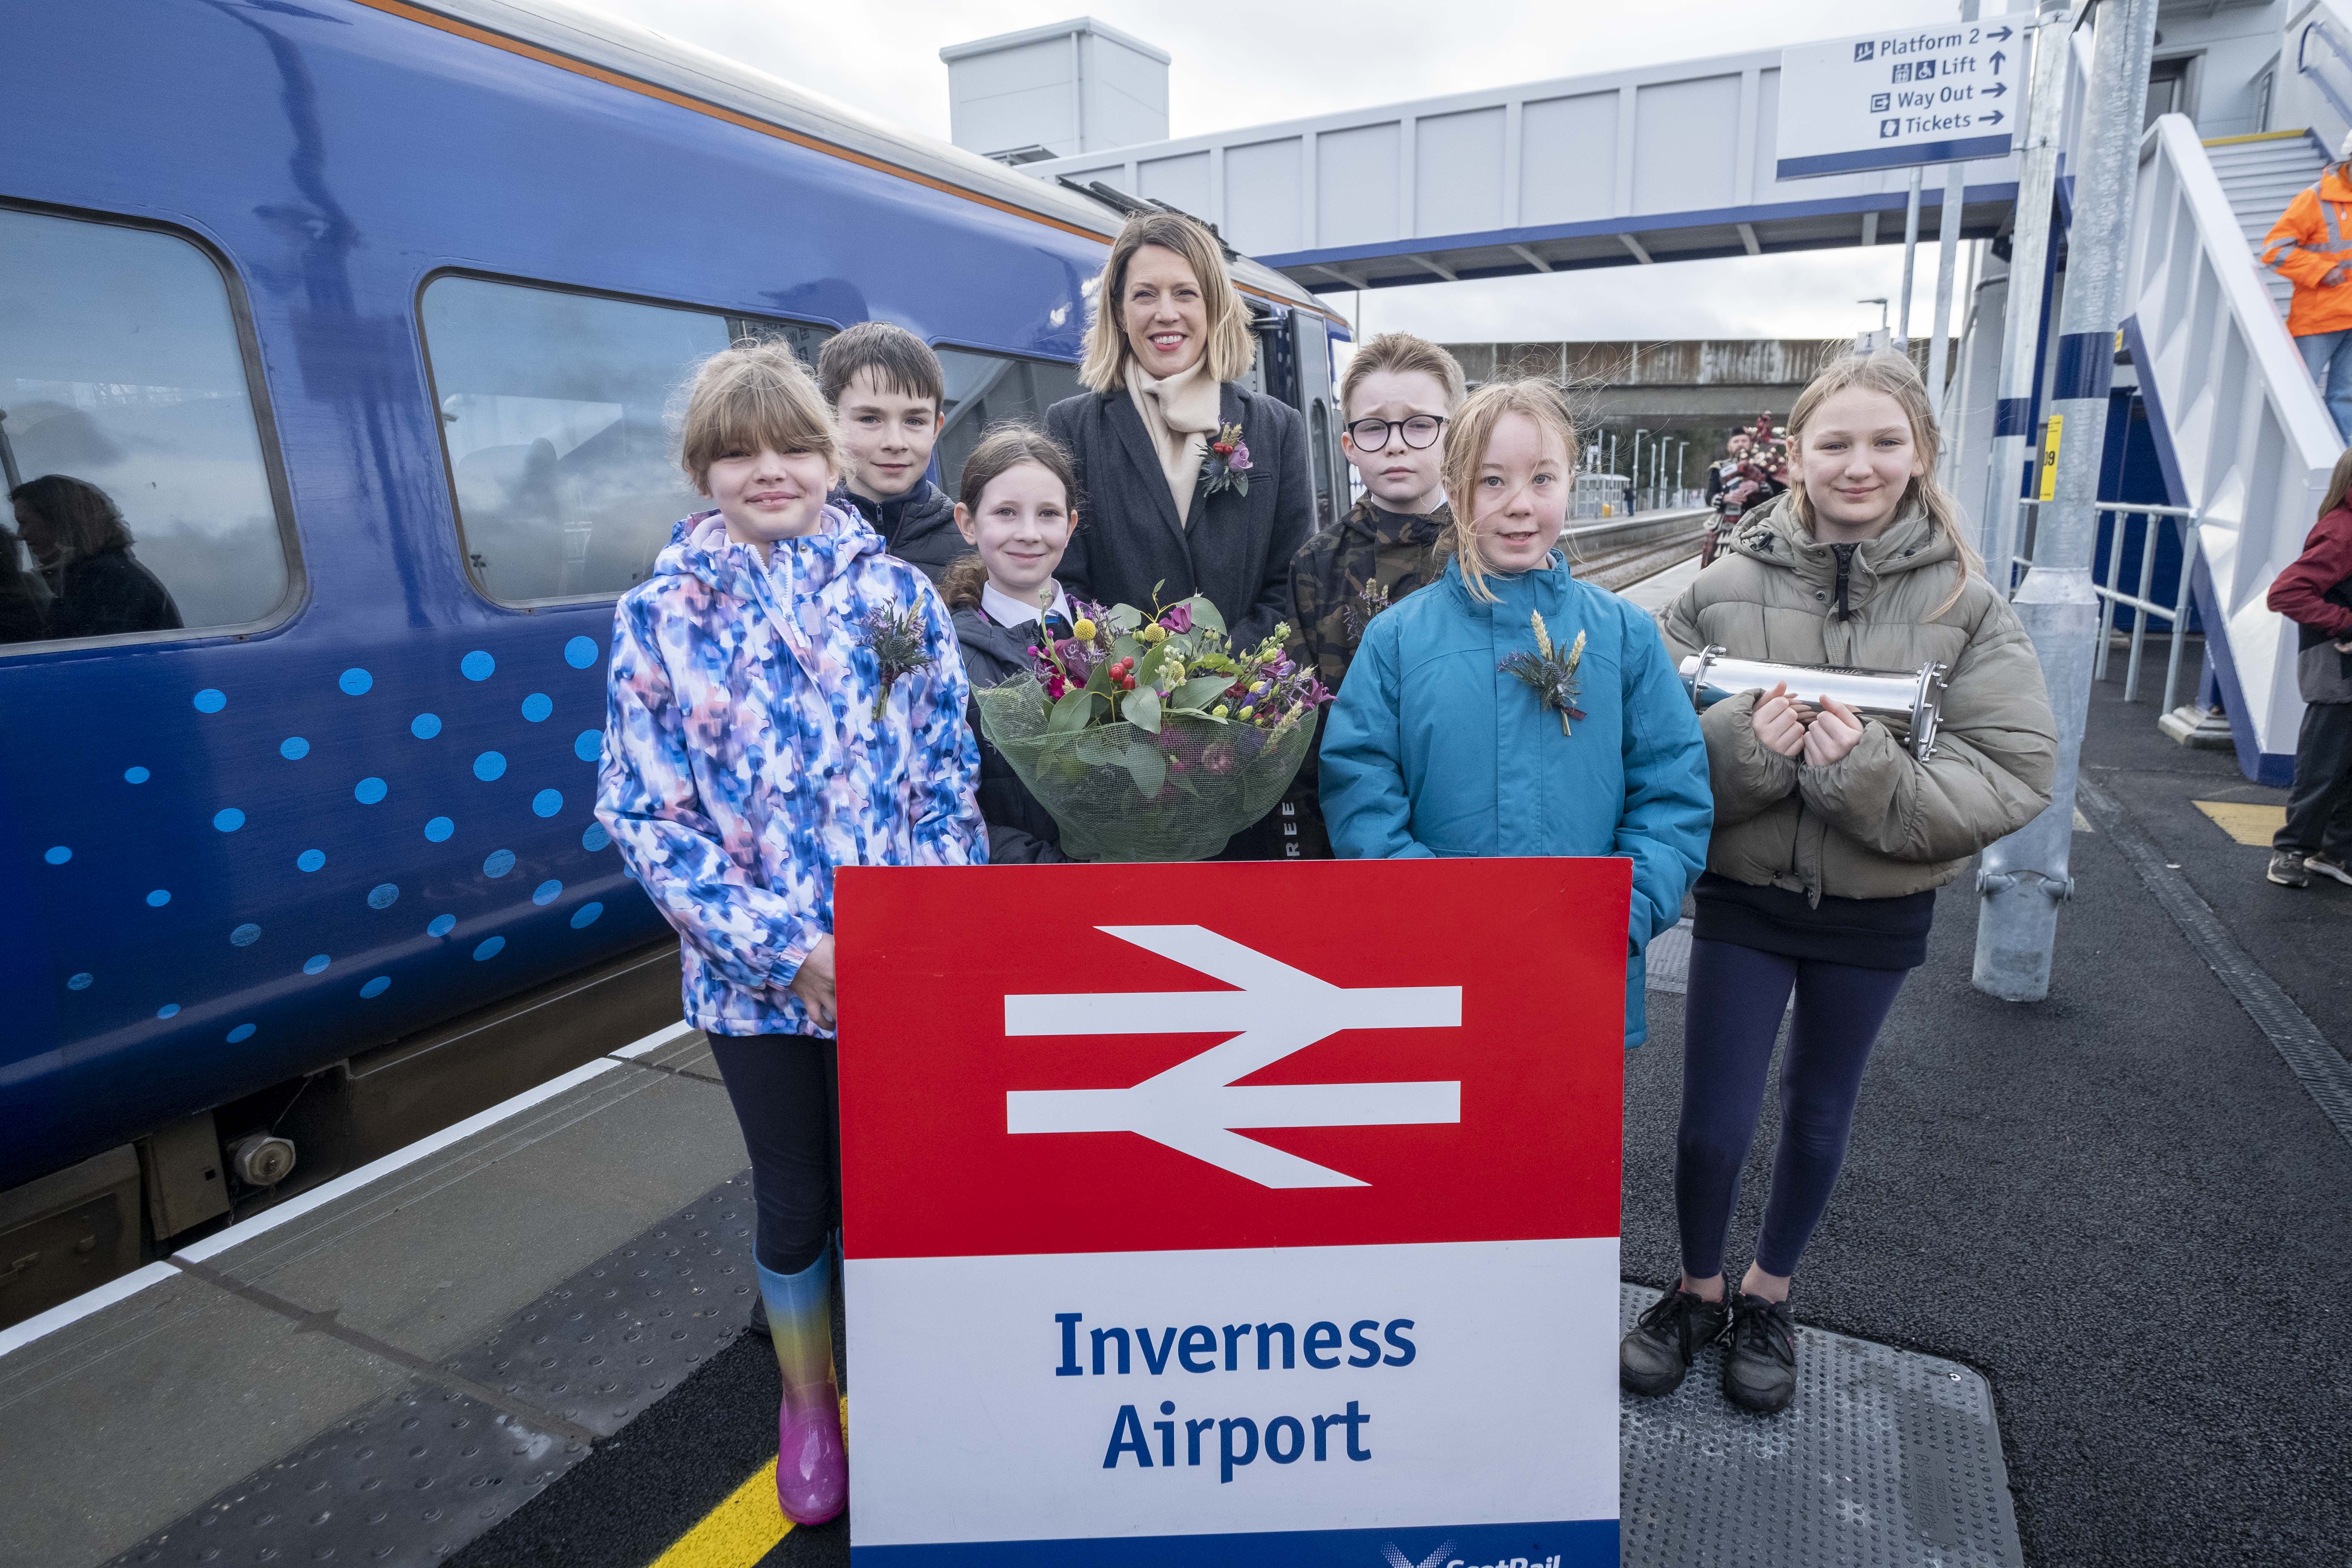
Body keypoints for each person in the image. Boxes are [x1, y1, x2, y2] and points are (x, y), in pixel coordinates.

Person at [596, 341, 983, 1525]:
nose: (772, 470)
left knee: (900, 1189)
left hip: (896, 966)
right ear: (704, 470)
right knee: (795, 1194)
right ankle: (809, 1402)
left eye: (795, 448)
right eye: (739, 451)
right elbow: (643, 814)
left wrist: (905, 947)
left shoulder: (900, 598)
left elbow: (945, 782)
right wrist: (792, 953)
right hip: (752, 987)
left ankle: (910, 1389)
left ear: (829, 460)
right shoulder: (657, 615)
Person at [1629, 351, 2056, 1418]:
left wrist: (1860, 774)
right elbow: (1651, 750)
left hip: (1876, 909)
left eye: (1883, 443)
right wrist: (1745, 750)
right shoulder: (1718, 590)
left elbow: (2014, 766)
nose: (1858, 465)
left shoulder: (1968, 603)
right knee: (1710, 1125)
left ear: (1920, 455)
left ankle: (1769, 1298)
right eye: (1835, 443)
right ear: (1797, 455)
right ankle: (1696, 1290)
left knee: (1819, 1113)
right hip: (1743, 902)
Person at [1318, 377, 1713, 1050]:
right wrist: (1428, 906)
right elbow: (1361, 785)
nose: (1520, 507)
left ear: (1572, 483)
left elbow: (1672, 788)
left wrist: (1624, 911)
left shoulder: (1623, 635)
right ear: (1456, 484)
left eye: (1543, 480)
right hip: (1438, 959)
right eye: (1492, 482)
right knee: (1442, 1139)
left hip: (1584, 962)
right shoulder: (1399, 638)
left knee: (1564, 1143)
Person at [1046, 210, 1313, 653]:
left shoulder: (1277, 428)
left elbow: (1289, 585)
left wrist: (1213, 675)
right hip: (1117, 708)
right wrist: (1135, 678)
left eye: (1186, 294)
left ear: (1213, 307)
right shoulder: (1071, 428)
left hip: (1243, 703)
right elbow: (1064, 578)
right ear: (1119, 311)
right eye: (1145, 295)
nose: (1165, 313)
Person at [1283, 332, 1464, 858]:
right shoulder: (1318, 564)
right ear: (1349, 445)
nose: (1395, 442)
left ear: (1455, 436)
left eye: (1420, 424)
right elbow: (1303, 731)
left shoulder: (1486, 551)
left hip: (1468, 824)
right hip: (1353, 832)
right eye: (1373, 427)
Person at [942, 424, 1083, 863]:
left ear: (1071, 524)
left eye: (1048, 513)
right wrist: (1052, 870)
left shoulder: (1118, 637)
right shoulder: (946, 655)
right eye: (1005, 512)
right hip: (1010, 899)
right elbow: (945, 803)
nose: (1028, 532)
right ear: (967, 523)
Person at [816, 321, 966, 583]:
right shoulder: (805, 534)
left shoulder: (972, 546)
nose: (895, 443)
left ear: (935, 428)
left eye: (914, 421)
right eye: (870, 419)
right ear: (829, 421)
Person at [2264, 446, 2352, 888]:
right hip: (2336, 669)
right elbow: (2284, 594)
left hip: (2342, 669)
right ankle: (2292, 852)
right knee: (2323, 767)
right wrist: (2346, 622)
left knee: (2343, 768)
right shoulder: (2342, 531)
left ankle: (2335, 854)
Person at [8, 474, 181, 641]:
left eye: (24, 523)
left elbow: (95, 661)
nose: (20, 536)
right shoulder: (96, 576)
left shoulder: (108, 583)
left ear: (59, 521)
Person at [2262, 132, 2352, 440]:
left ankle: (2345, 468)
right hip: (2319, 319)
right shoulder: (2314, 199)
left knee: (2346, 399)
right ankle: (2285, 450)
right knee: (2299, 392)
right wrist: (2321, 269)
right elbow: (2274, 250)